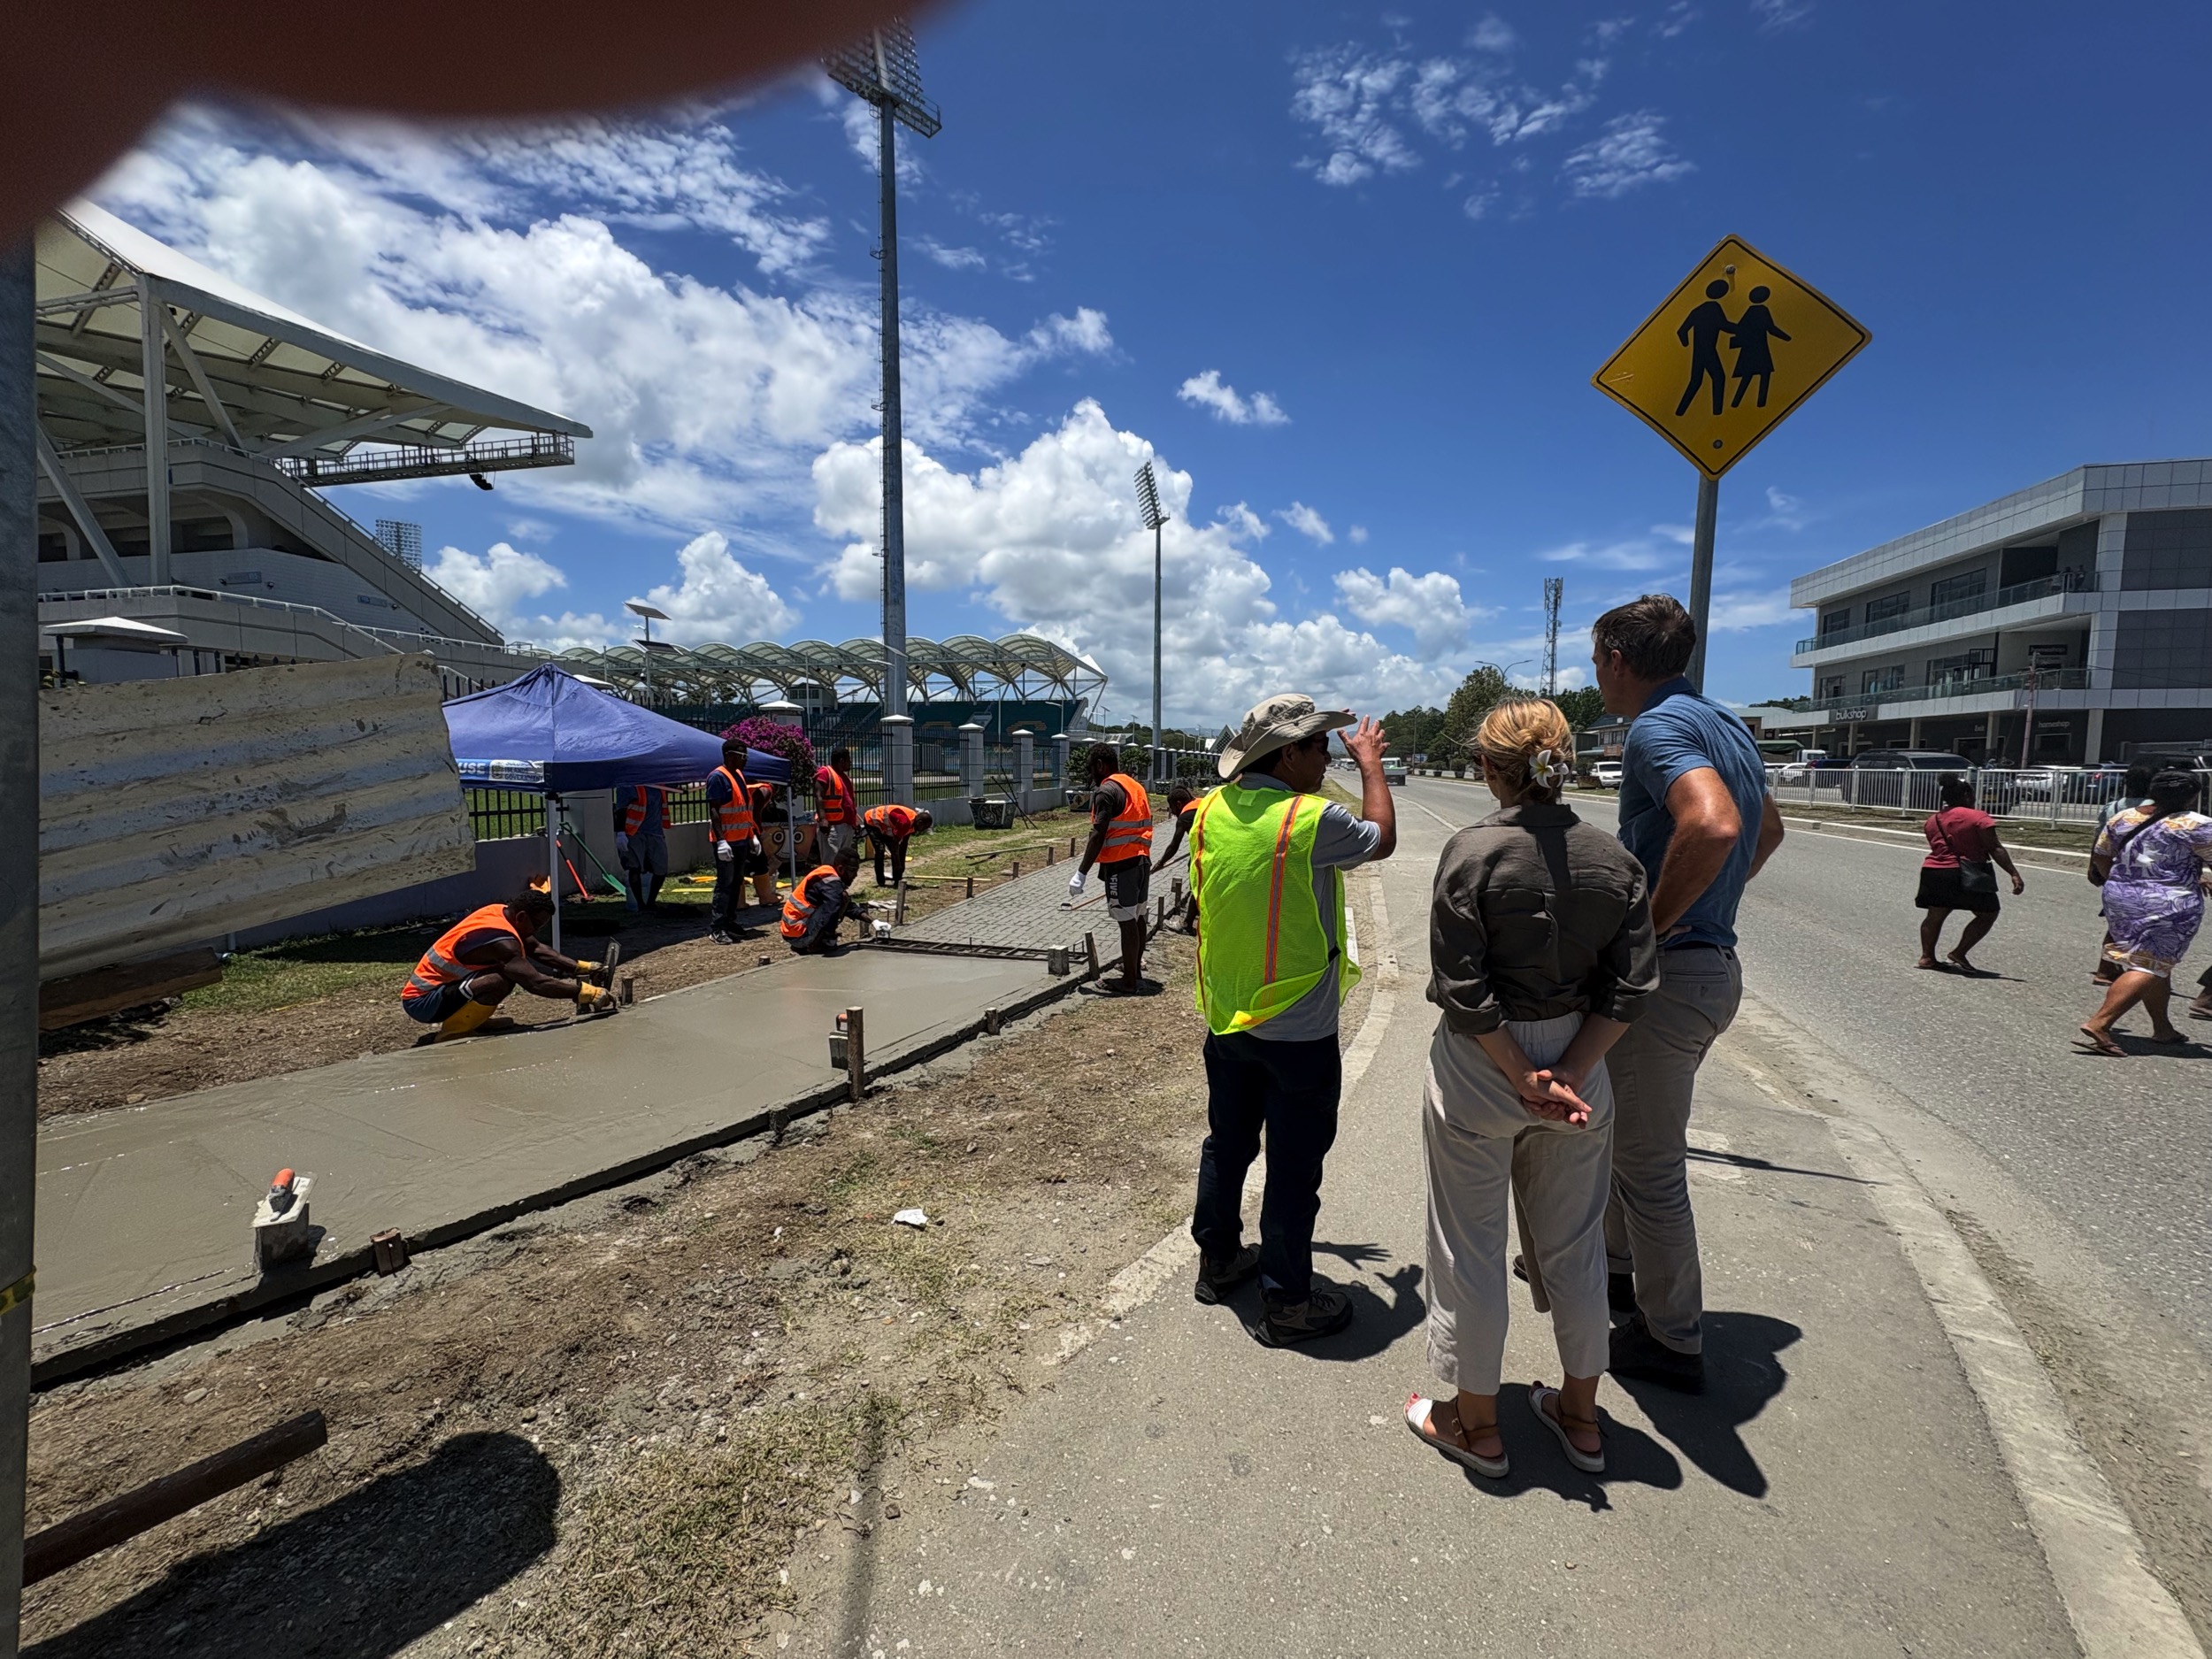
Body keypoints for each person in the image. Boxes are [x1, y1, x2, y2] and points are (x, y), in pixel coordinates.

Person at [1407, 699, 1658, 1479]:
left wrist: (1524, 1076)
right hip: (1581, 1058)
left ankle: (1475, 1425)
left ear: (1490, 768)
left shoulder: (1471, 851)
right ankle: (1580, 1417)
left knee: (1470, 1247)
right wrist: (1571, 1072)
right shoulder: (1615, 859)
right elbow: (1632, 983)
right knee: (1576, 1243)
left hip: (1487, 1064)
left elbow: (1465, 987)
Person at [1592, 594, 1785, 1391]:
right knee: (1623, 1138)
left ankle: (1670, 1337)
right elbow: (1767, 828)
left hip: (1671, 978)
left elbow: (1716, 827)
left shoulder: (1656, 728)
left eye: (1597, 659)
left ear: (1618, 660)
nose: (1596, 674)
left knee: (1647, 1163)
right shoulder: (1725, 723)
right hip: (1712, 971)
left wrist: (1653, 930)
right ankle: (1612, 1272)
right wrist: (1712, 909)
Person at [1187, 695, 1396, 1345]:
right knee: (1293, 1164)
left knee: (1228, 1143)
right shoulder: (1309, 820)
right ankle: (1286, 1298)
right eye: (1317, 745)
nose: (1327, 752)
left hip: (1227, 1017)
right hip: (1298, 1029)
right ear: (1286, 755)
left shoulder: (1211, 810)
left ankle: (1218, 1261)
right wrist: (1370, 766)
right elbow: (1383, 838)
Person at [2075, 771, 2212, 1056]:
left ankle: (2162, 1028)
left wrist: (2125, 882)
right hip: (2170, 903)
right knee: (2149, 964)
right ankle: (2101, 1022)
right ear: (2193, 795)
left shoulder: (2123, 817)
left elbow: (2100, 855)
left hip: (2120, 897)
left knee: (2152, 962)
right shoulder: (2197, 825)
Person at [399, 883, 615, 1037]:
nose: (538, 930)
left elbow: (536, 949)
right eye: (538, 925)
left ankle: (475, 1020)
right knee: (501, 980)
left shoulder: (499, 912)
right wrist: (586, 993)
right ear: (521, 917)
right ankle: (454, 1033)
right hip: (423, 1003)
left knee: (500, 976)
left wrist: (581, 968)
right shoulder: (502, 943)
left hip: (444, 989)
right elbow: (535, 983)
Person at [1066, 745, 1159, 995]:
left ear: (1099, 764)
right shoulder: (1134, 786)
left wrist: (1081, 872)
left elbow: (1098, 833)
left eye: (1091, 769)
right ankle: (1135, 972)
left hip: (1122, 865)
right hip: (1141, 860)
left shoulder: (1106, 791)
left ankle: (1129, 981)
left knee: (1126, 921)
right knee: (1138, 917)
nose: (1091, 775)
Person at [1915, 776, 2024, 975]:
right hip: (1966, 872)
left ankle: (1927, 957)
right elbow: (1995, 847)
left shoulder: (1933, 820)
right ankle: (1959, 952)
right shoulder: (1978, 817)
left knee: (1935, 915)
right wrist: (2013, 873)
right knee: (1988, 913)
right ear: (1966, 794)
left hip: (1934, 871)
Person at [2093, 763, 2157, 987]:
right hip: (2145, 872)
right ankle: (2117, 967)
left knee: (2119, 920)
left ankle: (2109, 966)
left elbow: (2100, 838)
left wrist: (2093, 868)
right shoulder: (2158, 810)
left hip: (2114, 867)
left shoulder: (2113, 807)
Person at [704, 741, 765, 945]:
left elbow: (744, 810)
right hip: (727, 842)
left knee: (736, 883)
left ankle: (730, 922)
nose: (745, 759)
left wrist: (751, 835)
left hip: (740, 840)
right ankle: (717, 927)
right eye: (742, 756)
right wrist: (721, 841)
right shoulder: (718, 777)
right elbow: (714, 811)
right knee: (725, 884)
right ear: (730, 756)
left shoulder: (738, 775)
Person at [781, 847, 868, 955]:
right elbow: (833, 908)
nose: (855, 875)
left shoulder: (827, 873)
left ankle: (818, 940)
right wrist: (829, 934)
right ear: (841, 869)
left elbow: (849, 907)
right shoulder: (830, 882)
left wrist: (873, 921)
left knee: (841, 900)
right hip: (799, 936)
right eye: (852, 871)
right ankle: (816, 944)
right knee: (838, 901)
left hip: (794, 931)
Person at [1151, 781, 1200, 932]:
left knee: (1196, 887)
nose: (1172, 813)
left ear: (1178, 804)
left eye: (1172, 808)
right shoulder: (1202, 803)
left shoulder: (1185, 817)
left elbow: (1173, 846)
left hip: (1205, 854)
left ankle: (1186, 924)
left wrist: (1161, 862)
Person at [613, 785, 670, 911]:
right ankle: (640, 904)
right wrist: (620, 832)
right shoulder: (628, 786)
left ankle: (650, 902)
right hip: (634, 832)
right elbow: (621, 810)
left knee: (661, 869)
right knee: (635, 867)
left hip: (655, 832)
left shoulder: (658, 785)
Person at [862, 802, 933, 888]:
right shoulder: (905, 823)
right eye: (924, 827)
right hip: (872, 820)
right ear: (920, 822)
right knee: (880, 849)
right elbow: (895, 846)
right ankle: (881, 881)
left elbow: (903, 846)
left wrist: (901, 869)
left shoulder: (912, 824)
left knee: (896, 852)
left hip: (884, 825)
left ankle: (896, 880)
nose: (922, 831)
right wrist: (898, 869)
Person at [815, 746, 859, 861]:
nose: (851, 763)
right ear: (842, 761)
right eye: (849, 760)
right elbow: (818, 795)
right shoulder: (825, 773)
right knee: (830, 860)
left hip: (846, 825)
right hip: (833, 827)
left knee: (842, 862)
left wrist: (855, 822)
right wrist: (823, 819)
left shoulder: (843, 777)